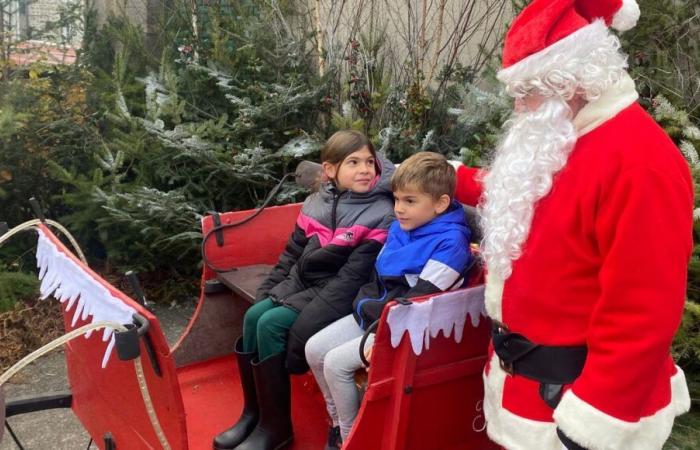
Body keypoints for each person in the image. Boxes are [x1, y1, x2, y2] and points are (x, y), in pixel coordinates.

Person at [450, 1, 693, 449]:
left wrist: (589, 428)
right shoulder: (567, 136)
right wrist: (453, 178)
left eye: (529, 91)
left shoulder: (639, 164)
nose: (519, 105)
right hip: (525, 397)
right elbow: (534, 194)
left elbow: (642, 313)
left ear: (573, 80)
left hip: (571, 412)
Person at [213, 130, 395, 450]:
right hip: (303, 282)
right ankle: (254, 413)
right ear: (330, 170)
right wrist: (267, 292)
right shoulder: (316, 202)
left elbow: (349, 281)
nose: (365, 169)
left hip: (335, 291)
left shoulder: (380, 212)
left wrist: (302, 331)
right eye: (353, 162)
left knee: (270, 324)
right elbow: (291, 255)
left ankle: (276, 427)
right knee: (255, 316)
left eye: (370, 161)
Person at [305, 152, 473, 449]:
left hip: (410, 333)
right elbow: (379, 279)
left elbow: (420, 300)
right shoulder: (402, 228)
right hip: (376, 314)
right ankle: (340, 422)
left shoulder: (451, 244)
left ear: (440, 203)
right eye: (396, 199)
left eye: (410, 201)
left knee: (335, 364)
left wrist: (379, 340)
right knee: (313, 349)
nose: (399, 209)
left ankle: (350, 439)